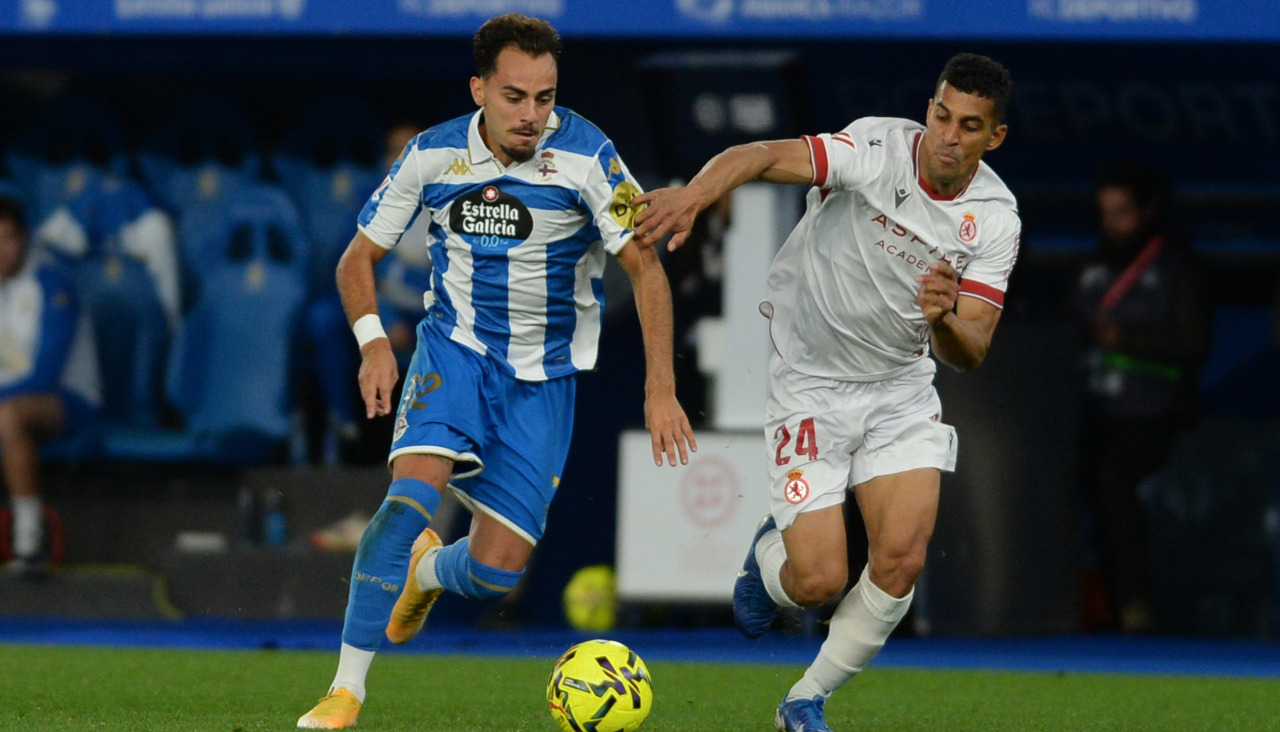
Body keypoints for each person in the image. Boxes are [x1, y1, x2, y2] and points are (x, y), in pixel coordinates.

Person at [297, 14, 696, 729]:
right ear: (479, 89)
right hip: (454, 352)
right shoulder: (431, 154)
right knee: (406, 501)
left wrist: (659, 388)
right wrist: (374, 344)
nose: (532, 114)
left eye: (545, 97)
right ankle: (346, 689)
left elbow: (646, 269)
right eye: (515, 97)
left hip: (542, 382)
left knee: (494, 574)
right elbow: (357, 259)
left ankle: (426, 570)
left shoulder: (590, 156)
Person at [632, 53, 1018, 731]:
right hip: (811, 381)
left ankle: (804, 700)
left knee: (901, 558)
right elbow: (757, 155)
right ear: (929, 109)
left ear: (995, 137)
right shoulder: (875, 149)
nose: (948, 136)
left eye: (969, 126)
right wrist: (695, 195)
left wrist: (942, 320)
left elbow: (973, 348)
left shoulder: (994, 218)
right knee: (817, 583)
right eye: (942, 115)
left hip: (899, 388)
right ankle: (767, 557)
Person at [1074, 159, 1211, 634]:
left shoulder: (1178, 267)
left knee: (1113, 478)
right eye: (1104, 213)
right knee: (1057, 476)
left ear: (1148, 211)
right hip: (1091, 410)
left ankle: (1134, 605)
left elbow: (1194, 342)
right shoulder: (1090, 268)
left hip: (1154, 412)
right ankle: (1069, 603)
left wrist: (1125, 339)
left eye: (1122, 212)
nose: (1111, 223)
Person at [0, 195, 100, 578]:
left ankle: (30, 537)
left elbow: (46, 375)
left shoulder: (53, 285)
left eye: (8, 239)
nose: (0, 250)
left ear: (25, 238)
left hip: (68, 401)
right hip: (8, 401)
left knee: (7, 417)